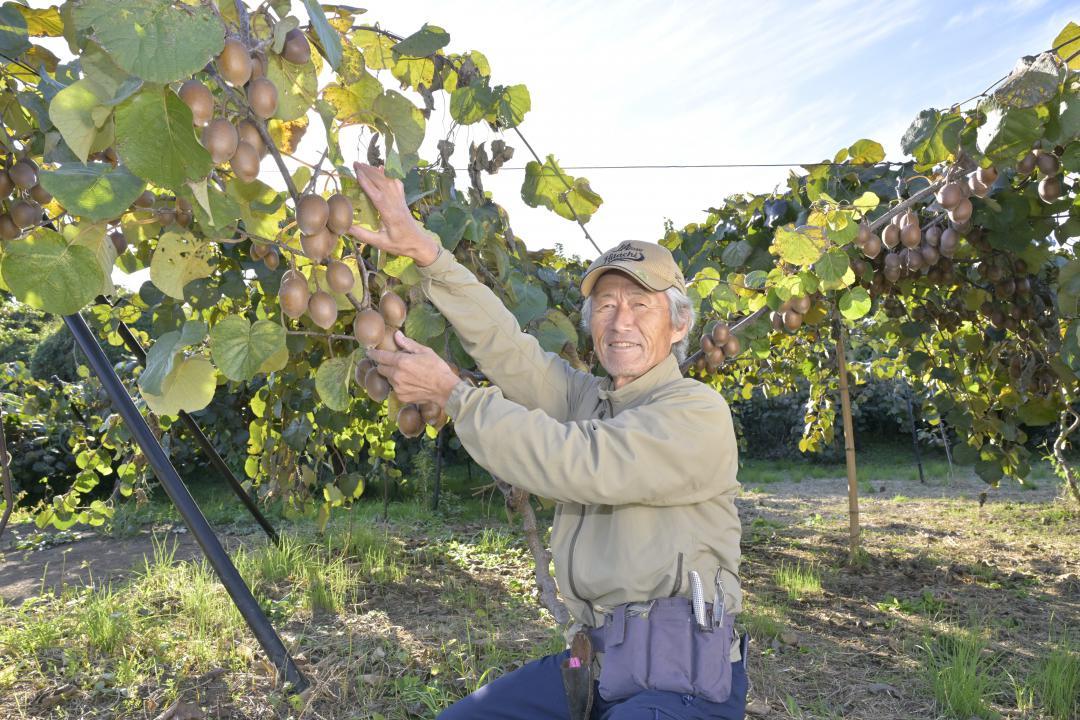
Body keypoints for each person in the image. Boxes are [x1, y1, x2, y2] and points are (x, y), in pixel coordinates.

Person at [349, 163, 746, 720]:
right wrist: (428, 255)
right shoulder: (591, 399)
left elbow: (578, 462)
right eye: (606, 306)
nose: (620, 321)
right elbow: (509, 349)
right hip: (595, 666)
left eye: (641, 305)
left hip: (678, 678)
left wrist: (457, 396)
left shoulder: (695, 412)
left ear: (679, 325)